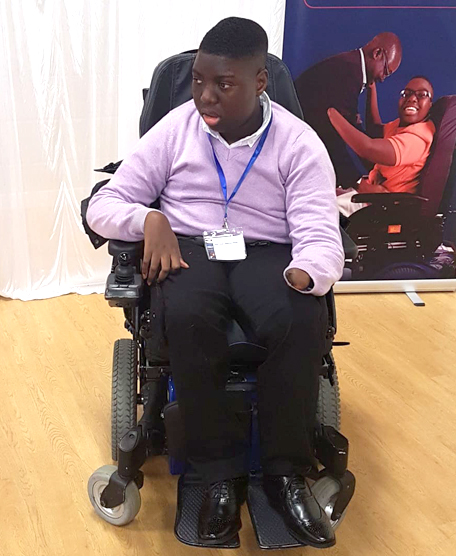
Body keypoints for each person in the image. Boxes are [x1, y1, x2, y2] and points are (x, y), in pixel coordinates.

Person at [87, 17, 343, 548]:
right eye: (199, 80)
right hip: (189, 245)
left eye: (223, 84)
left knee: (300, 314)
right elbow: (105, 204)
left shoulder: (298, 142)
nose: (205, 95)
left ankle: (285, 474)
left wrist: (309, 271)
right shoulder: (175, 129)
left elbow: (319, 231)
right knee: (185, 315)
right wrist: (148, 219)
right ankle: (217, 476)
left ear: (259, 82)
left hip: (269, 251)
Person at [294, 33, 402, 188]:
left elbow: (356, 136)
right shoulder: (347, 74)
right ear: (377, 53)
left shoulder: (351, 67)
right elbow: (332, 137)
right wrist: (356, 182)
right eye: (386, 71)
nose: (383, 78)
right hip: (299, 151)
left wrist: (375, 171)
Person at [327, 76, 435, 216]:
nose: (412, 99)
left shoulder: (418, 138)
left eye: (422, 94)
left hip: (385, 206)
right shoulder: (401, 126)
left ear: (430, 104)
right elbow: (375, 129)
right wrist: (372, 89)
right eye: (407, 93)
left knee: (320, 207)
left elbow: (368, 149)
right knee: (321, 193)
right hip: (372, 195)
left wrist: (331, 113)